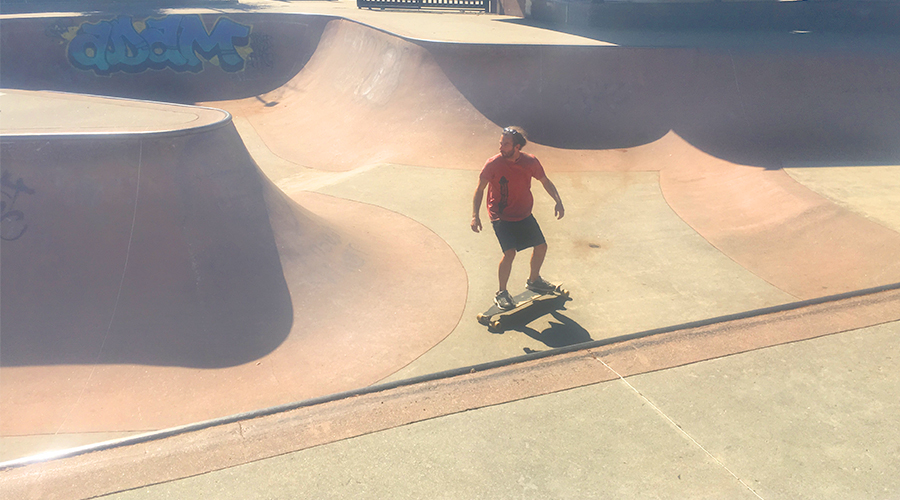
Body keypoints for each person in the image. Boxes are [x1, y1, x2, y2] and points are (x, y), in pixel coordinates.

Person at [471, 126, 565, 310]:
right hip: (501, 215)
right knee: (510, 253)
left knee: (541, 246)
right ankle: (502, 293)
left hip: (523, 213)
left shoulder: (530, 162)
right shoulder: (493, 164)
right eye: (500, 143)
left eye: (505, 144)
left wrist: (558, 200)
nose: (501, 147)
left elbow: (545, 181)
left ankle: (534, 280)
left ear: (517, 147)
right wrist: (475, 215)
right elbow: (480, 189)